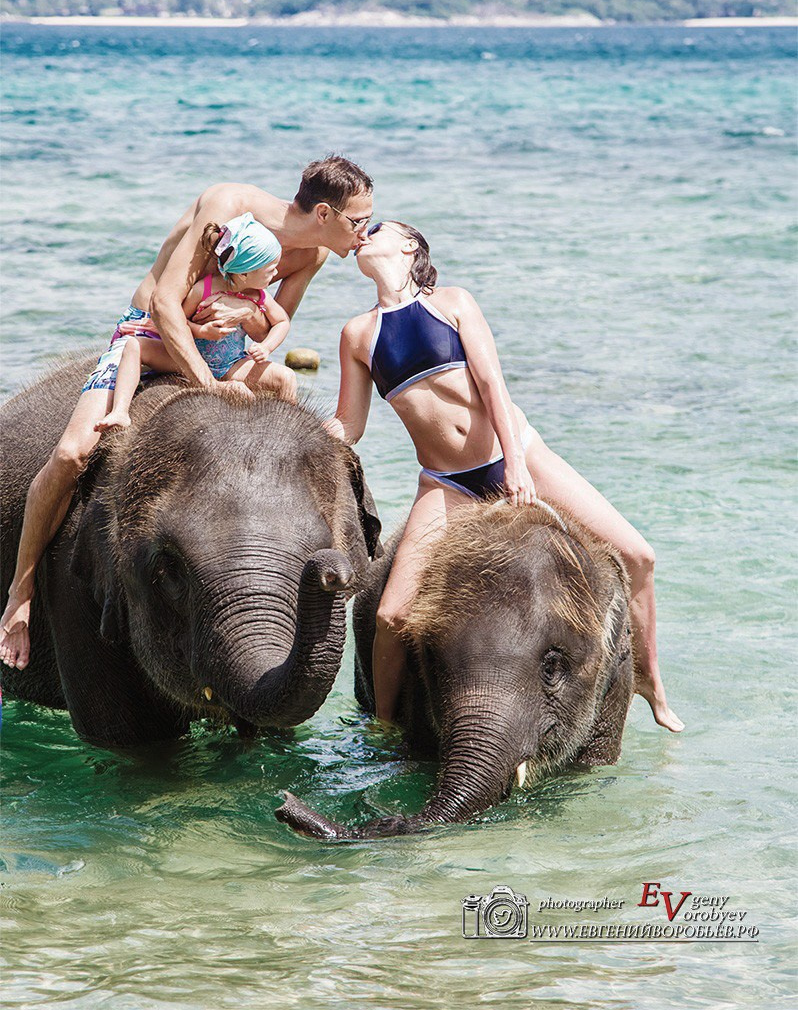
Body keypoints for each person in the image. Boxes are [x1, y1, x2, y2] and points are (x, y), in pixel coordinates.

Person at [0, 156, 374, 670]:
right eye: (359, 222)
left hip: (223, 350)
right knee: (71, 454)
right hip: (150, 337)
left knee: (280, 415)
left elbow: (271, 326)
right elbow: (164, 304)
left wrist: (246, 312)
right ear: (326, 213)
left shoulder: (314, 255)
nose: (365, 234)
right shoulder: (228, 205)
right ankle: (20, 595)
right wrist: (208, 385)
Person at [323, 220, 684, 733]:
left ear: (408, 246)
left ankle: (649, 681)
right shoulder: (358, 334)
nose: (364, 233)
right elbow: (350, 424)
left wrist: (515, 464)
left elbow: (493, 384)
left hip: (518, 453)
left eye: (377, 228)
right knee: (391, 616)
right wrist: (298, 428)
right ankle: (383, 726)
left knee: (639, 555)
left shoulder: (452, 303)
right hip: (445, 482)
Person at [95, 213, 296, 434]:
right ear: (245, 273)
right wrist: (202, 331)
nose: (276, 273)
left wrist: (266, 347)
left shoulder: (259, 295)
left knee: (286, 377)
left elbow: (282, 322)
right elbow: (176, 322)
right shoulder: (204, 289)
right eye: (270, 269)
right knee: (134, 346)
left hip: (231, 364)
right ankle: (120, 411)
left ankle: (288, 431)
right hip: (189, 360)